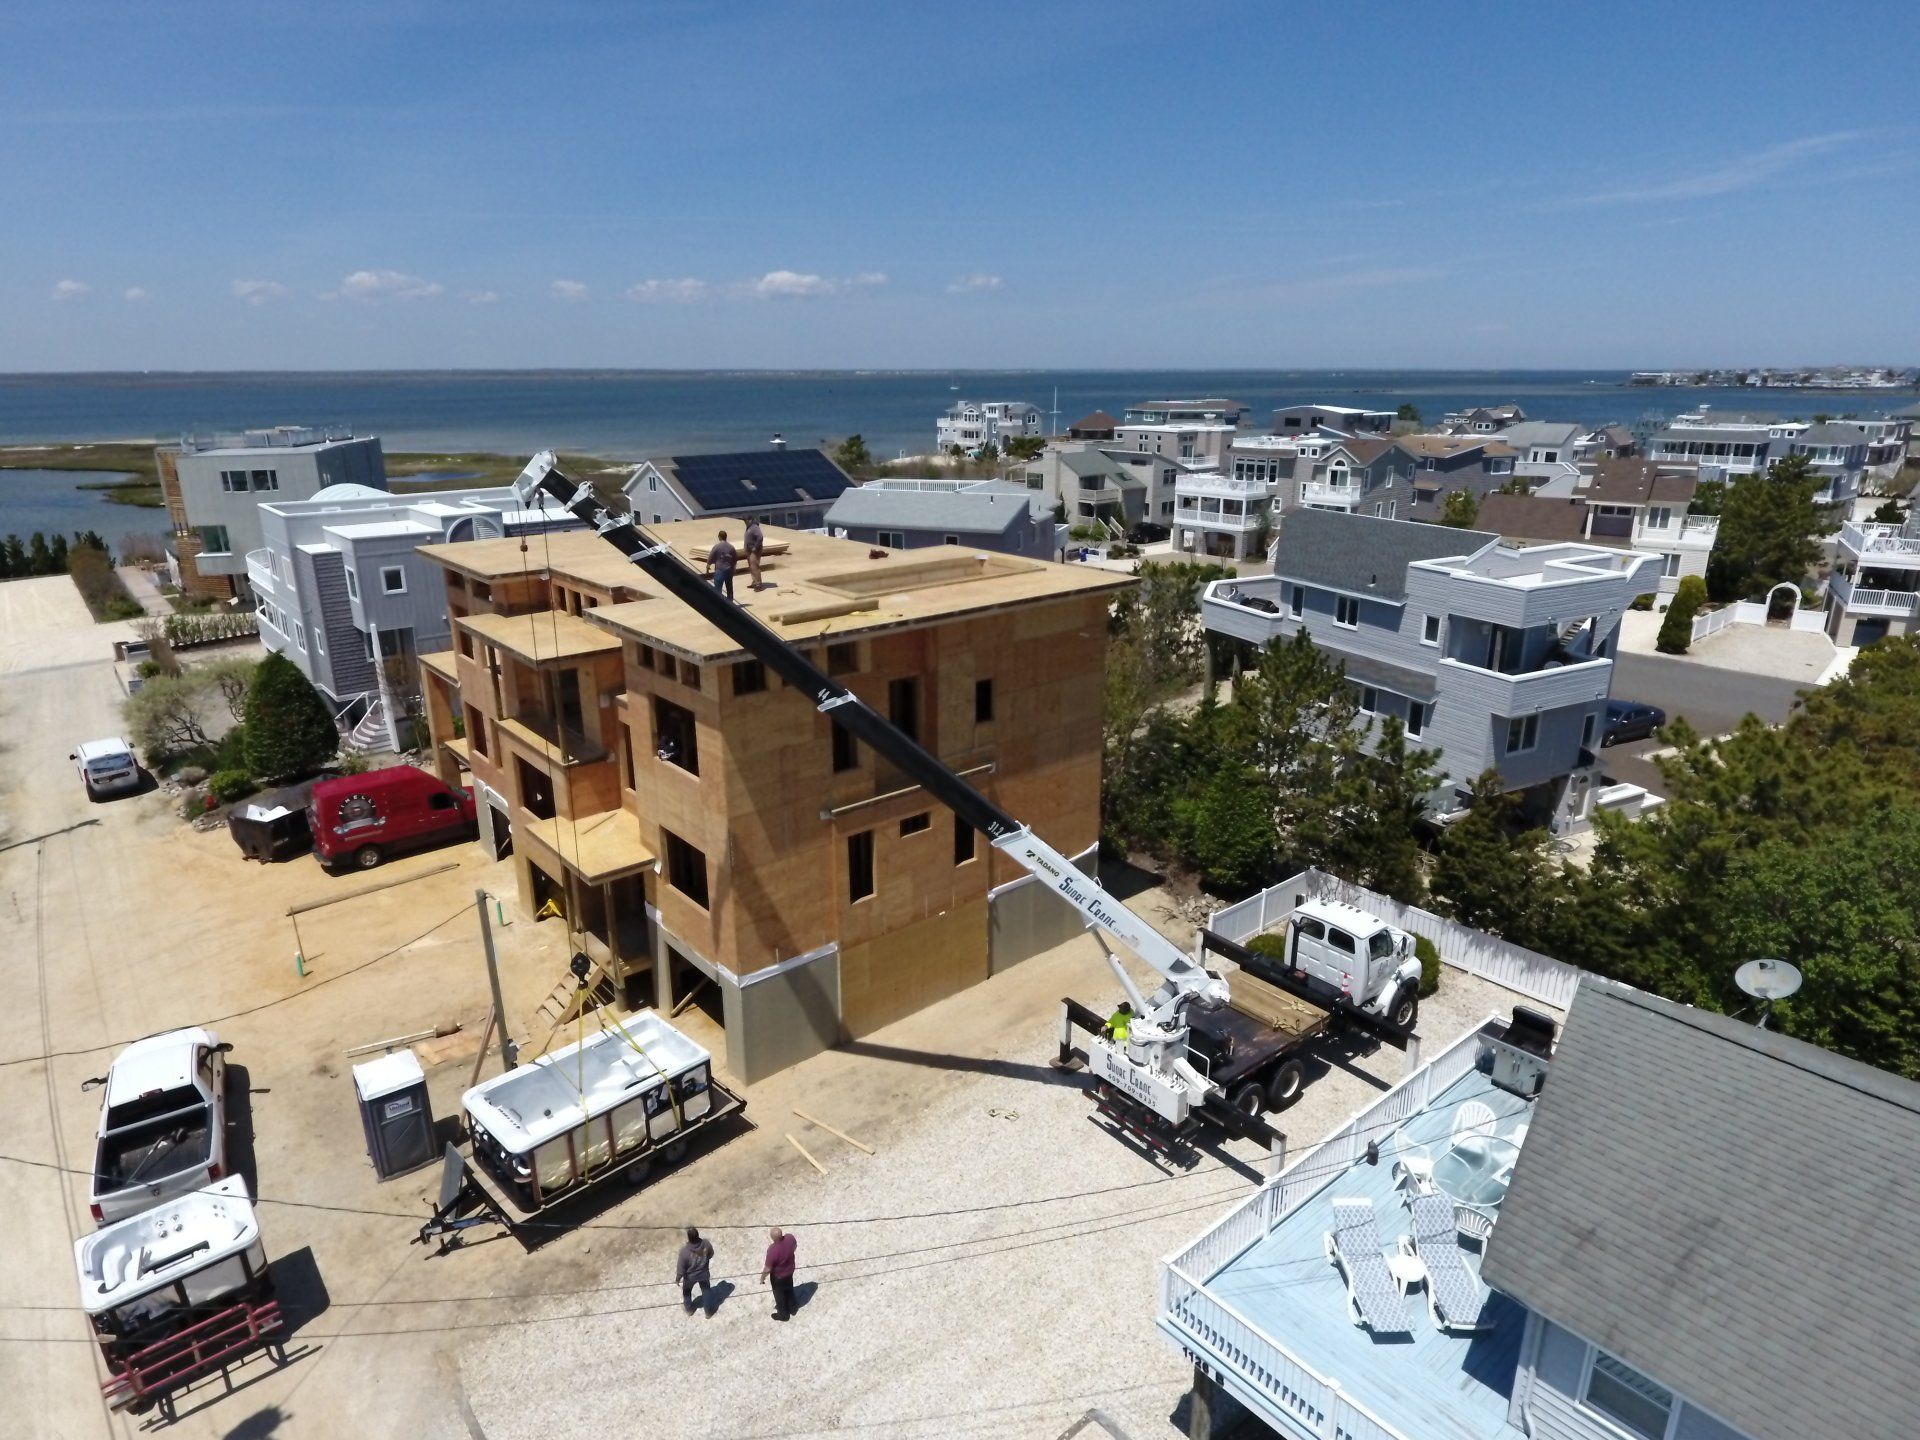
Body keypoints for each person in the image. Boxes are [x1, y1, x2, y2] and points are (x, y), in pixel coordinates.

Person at [677, 1225, 715, 1317]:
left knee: (686, 1292)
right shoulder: (706, 1244)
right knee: (706, 1291)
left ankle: (689, 1309)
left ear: (689, 1238)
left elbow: (681, 1267)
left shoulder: (684, 1251)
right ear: (698, 1235)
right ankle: (708, 1312)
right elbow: (711, 1254)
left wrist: (678, 1278)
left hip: (690, 1277)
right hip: (704, 1274)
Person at [762, 1226, 798, 1321]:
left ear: (772, 1238)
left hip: (779, 1277)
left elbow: (767, 1269)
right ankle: (793, 1308)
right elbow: (795, 1246)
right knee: (789, 1289)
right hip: (790, 1271)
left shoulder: (772, 1250)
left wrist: (762, 1278)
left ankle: (783, 1315)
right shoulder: (790, 1238)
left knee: (780, 1296)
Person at [706, 530, 739, 601]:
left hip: (719, 570)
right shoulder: (731, 547)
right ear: (726, 537)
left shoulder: (717, 547)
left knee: (718, 589)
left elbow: (710, 557)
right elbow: (735, 559)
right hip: (729, 570)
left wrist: (708, 566)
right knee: (729, 588)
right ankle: (730, 603)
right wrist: (733, 568)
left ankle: (719, 603)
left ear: (719, 537)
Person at [743, 517, 765, 591]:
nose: (745, 522)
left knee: (755, 567)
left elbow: (760, 537)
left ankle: (758, 584)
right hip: (749, 551)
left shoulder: (754, 527)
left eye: (746, 520)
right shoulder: (749, 527)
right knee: (751, 567)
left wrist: (755, 547)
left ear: (750, 520)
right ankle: (754, 582)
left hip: (754, 551)